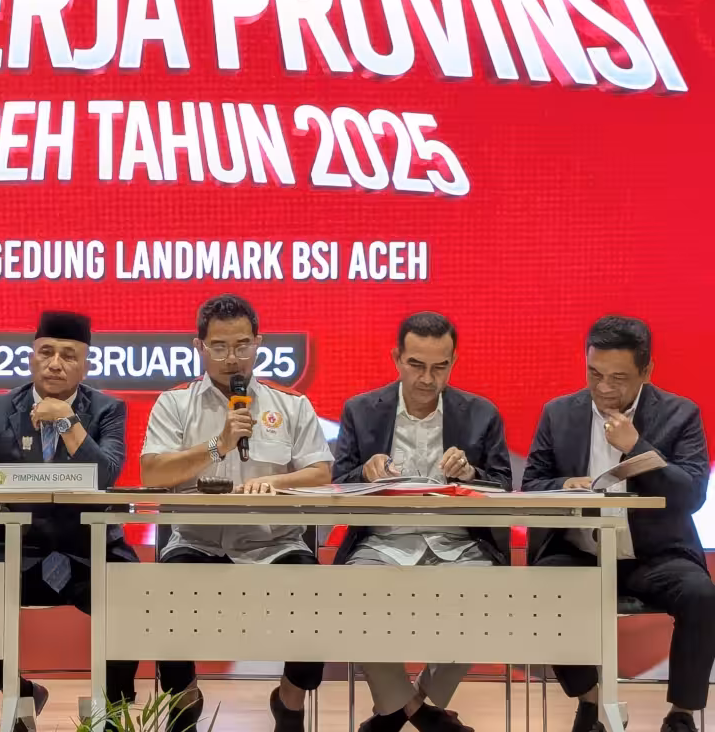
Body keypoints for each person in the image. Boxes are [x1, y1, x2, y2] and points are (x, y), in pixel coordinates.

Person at [140, 294, 332, 732]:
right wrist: (218, 446)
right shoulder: (175, 403)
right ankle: (185, 699)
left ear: (258, 343)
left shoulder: (290, 404)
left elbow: (321, 471)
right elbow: (152, 473)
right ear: (199, 347)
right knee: (163, 593)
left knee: (317, 595)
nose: (232, 358)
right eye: (220, 346)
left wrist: (276, 482)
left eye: (243, 345)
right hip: (197, 542)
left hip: (274, 543)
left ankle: (289, 701)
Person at [523, 316, 713, 732]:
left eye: (618, 378)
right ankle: (591, 701)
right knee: (542, 586)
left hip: (655, 555)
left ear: (647, 371)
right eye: (595, 373)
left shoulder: (680, 414)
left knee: (701, 595)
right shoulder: (559, 413)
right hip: (580, 552)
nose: (604, 387)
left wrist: (637, 448)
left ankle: (681, 715)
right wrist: (565, 485)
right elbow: (532, 482)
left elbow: (691, 494)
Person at [0, 311, 139, 732]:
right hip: (18, 547)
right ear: (31, 357)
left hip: (86, 548)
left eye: (68, 355)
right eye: (46, 352)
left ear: (86, 365)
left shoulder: (108, 409)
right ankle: (18, 692)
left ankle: (111, 709)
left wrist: (66, 419)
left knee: (130, 594)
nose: (55, 363)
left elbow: (106, 474)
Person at [333, 312, 512, 732]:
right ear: (396, 358)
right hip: (381, 543)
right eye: (416, 365)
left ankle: (400, 708)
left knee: (489, 595)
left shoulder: (481, 413)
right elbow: (338, 484)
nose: (428, 379)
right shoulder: (361, 410)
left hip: (460, 544)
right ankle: (423, 714)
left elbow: (504, 486)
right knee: (350, 593)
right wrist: (365, 473)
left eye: (440, 367)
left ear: (453, 362)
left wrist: (471, 474)